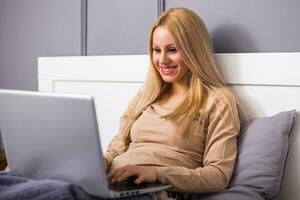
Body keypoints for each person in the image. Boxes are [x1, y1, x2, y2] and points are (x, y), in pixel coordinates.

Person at [105, 7, 242, 200]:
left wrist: (155, 173)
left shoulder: (218, 101)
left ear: (193, 50)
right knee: (52, 187)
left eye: (172, 50)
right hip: (112, 181)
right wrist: (99, 163)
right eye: (156, 50)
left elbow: (218, 175)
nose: (162, 60)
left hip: (156, 191)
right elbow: (115, 149)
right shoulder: (146, 96)